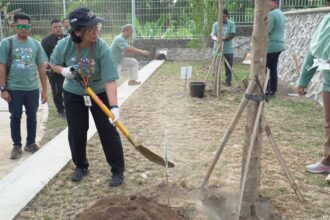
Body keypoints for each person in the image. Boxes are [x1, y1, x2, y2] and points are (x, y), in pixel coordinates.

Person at [50, 7, 125, 187]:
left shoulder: (102, 47)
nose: (96, 31)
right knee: (76, 131)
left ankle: (117, 170)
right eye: (90, 29)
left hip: (98, 92)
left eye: (96, 26)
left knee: (107, 131)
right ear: (77, 32)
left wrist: (114, 106)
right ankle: (81, 166)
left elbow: (109, 80)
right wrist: (63, 70)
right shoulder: (64, 45)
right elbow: (52, 63)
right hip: (74, 93)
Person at [0, 12, 48, 159]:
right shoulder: (6, 43)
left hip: (32, 88)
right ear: (14, 26)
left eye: (27, 26)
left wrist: (44, 90)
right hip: (14, 89)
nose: (23, 29)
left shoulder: (36, 44)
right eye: (20, 26)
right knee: (15, 117)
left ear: (30, 27)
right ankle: (16, 145)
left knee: (32, 116)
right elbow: (1, 67)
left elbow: (41, 67)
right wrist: (3, 89)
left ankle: (31, 143)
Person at [297, 11, 330, 184]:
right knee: (328, 124)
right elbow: (314, 50)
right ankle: (327, 161)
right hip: (329, 83)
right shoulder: (326, 20)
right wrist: (304, 80)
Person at [42, 19, 67, 117]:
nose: (58, 29)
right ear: (51, 28)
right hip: (53, 70)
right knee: (57, 90)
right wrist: (47, 64)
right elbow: (43, 57)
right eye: (55, 27)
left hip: (67, 69)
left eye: (60, 27)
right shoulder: (46, 41)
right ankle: (60, 110)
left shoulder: (68, 38)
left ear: (63, 27)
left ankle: (70, 107)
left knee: (69, 89)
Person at [210, 8, 236, 86]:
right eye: (220, 16)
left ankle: (228, 82)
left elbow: (232, 34)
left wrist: (223, 38)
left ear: (227, 15)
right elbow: (213, 34)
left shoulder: (231, 24)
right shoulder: (215, 24)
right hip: (217, 50)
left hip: (228, 50)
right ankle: (216, 81)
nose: (222, 18)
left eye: (224, 16)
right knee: (216, 66)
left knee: (228, 67)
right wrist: (215, 38)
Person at [266, 0, 285, 97]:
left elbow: (267, 31)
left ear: (274, 3)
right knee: (273, 68)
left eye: (268, 2)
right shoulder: (281, 13)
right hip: (279, 44)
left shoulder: (272, 14)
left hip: (271, 45)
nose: (266, 5)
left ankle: (266, 89)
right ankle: (272, 90)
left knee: (263, 67)